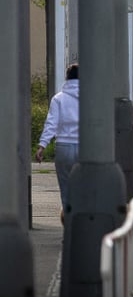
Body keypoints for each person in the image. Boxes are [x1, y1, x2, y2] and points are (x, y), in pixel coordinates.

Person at [36, 63, 79, 222]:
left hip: (63, 147)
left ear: (66, 78)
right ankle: (83, 226)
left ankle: (68, 229)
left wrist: (42, 145)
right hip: (86, 147)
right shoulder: (91, 97)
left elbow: (51, 124)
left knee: (66, 190)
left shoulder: (58, 98)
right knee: (85, 187)